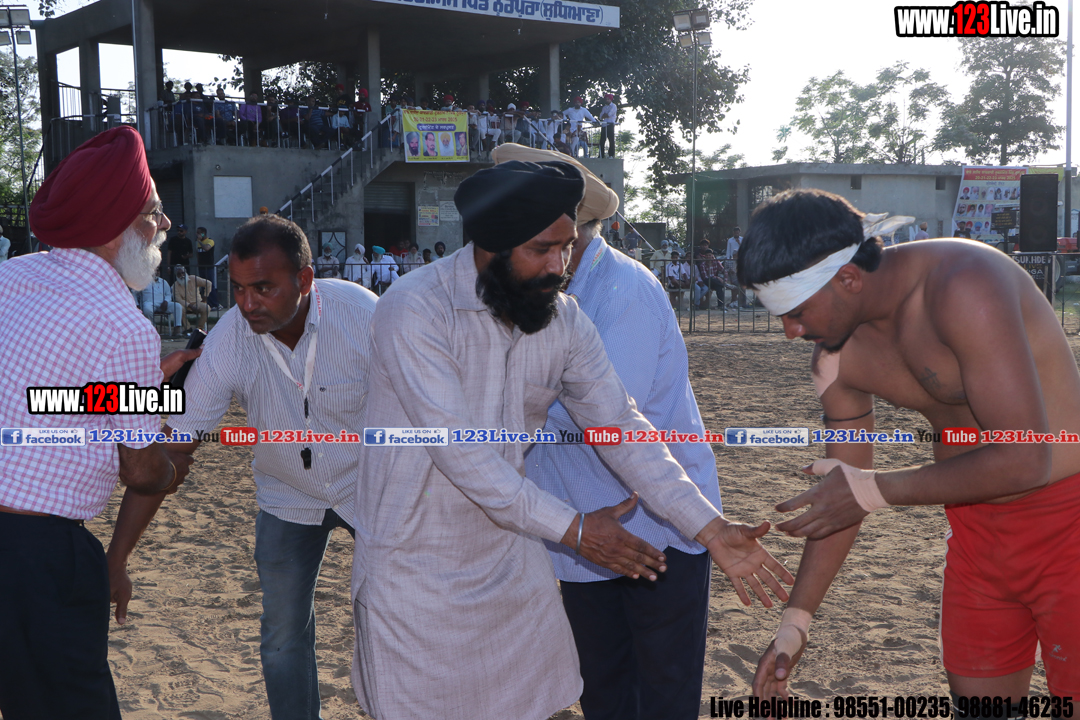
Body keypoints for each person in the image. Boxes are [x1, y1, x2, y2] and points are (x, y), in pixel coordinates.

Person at [350, 159, 791, 720]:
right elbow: (461, 451)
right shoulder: (416, 309)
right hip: (415, 563)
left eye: (565, 248)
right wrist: (575, 530)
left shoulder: (562, 318)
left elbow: (621, 427)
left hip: (510, 556)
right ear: (491, 245)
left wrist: (709, 527)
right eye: (542, 249)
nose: (559, 266)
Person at [738, 189, 1080, 704]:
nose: (790, 331)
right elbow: (843, 496)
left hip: (1069, 524)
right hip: (976, 538)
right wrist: (794, 625)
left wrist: (873, 491)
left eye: (798, 312)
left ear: (848, 278)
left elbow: (1027, 458)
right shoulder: (835, 360)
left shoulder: (964, 284)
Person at [491, 144, 773, 720]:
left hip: (657, 527)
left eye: (543, 240)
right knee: (604, 692)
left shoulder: (622, 289)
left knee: (662, 693)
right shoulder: (529, 291)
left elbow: (611, 415)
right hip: (580, 530)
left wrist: (504, 399)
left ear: (573, 231)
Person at [107, 214, 378, 720]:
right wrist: (117, 557)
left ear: (304, 279)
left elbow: (424, 422)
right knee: (282, 638)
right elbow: (177, 447)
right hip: (285, 494)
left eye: (263, 288)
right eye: (237, 288)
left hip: (374, 490)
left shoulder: (364, 317)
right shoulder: (229, 339)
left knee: (392, 621)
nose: (247, 303)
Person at [0, 126, 197, 720]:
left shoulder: (12, 277)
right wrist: (169, 459)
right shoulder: (122, 324)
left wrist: (141, 390)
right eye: (155, 212)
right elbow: (140, 470)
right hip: (38, 555)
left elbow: (41, 401)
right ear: (121, 225)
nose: (165, 225)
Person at [138, 268, 185, 337]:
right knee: (147, 309)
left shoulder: (163, 282)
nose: (156, 272)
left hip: (163, 304)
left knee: (177, 306)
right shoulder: (143, 282)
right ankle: (153, 327)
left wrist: (166, 301)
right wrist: (137, 304)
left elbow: (168, 294)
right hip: (149, 303)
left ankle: (177, 328)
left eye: (158, 270)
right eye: (154, 270)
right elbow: (135, 293)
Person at [173, 264, 211, 334]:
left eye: (183, 273)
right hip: (185, 305)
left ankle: (199, 328)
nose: (182, 275)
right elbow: (179, 299)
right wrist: (189, 305)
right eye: (179, 274)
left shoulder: (193, 278)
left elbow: (208, 283)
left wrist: (205, 297)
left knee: (206, 308)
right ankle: (188, 328)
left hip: (197, 302)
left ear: (185, 272)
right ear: (176, 275)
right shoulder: (175, 286)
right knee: (179, 309)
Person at [195, 226, 221, 308]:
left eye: (199, 233)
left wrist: (200, 241)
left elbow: (207, 248)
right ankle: (207, 303)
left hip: (208, 267)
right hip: (201, 267)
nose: (197, 234)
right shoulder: (199, 243)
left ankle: (215, 304)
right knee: (203, 286)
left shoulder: (210, 241)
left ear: (203, 234)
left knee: (210, 285)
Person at [598, 93, 617, 158]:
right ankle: (601, 155)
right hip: (604, 125)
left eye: (608, 99)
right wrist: (605, 115)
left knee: (611, 140)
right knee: (602, 141)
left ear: (611, 99)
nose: (607, 100)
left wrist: (605, 115)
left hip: (610, 124)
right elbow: (601, 116)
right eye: (606, 99)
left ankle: (611, 155)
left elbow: (609, 114)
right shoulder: (604, 107)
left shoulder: (613, 106)